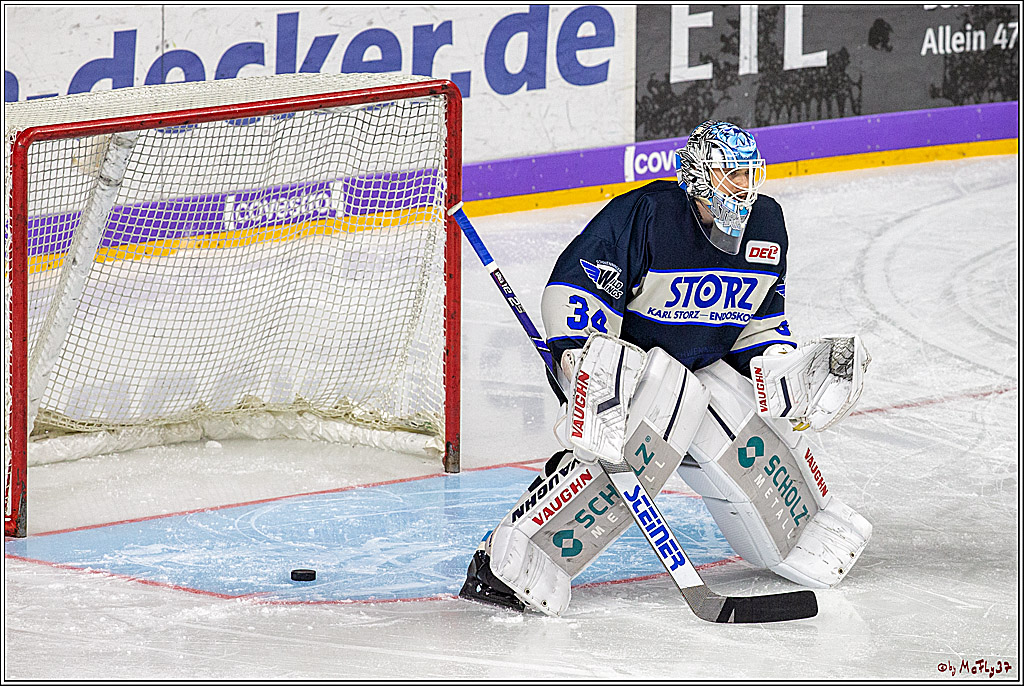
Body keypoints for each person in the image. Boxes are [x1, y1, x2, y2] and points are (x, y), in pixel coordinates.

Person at [460, 120, 872, 616]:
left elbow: (759, 322)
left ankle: (800, 529)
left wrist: (788, 370)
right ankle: (511, 560)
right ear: (698, 178)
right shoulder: (649, 215)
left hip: (702, 362)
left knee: (734, 410)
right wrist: (583, 364)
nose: (744, 188)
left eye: (748, 174)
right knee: (668, 399)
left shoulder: (766, 225)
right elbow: (576, 289)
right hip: (626, 375)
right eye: (730, 176)